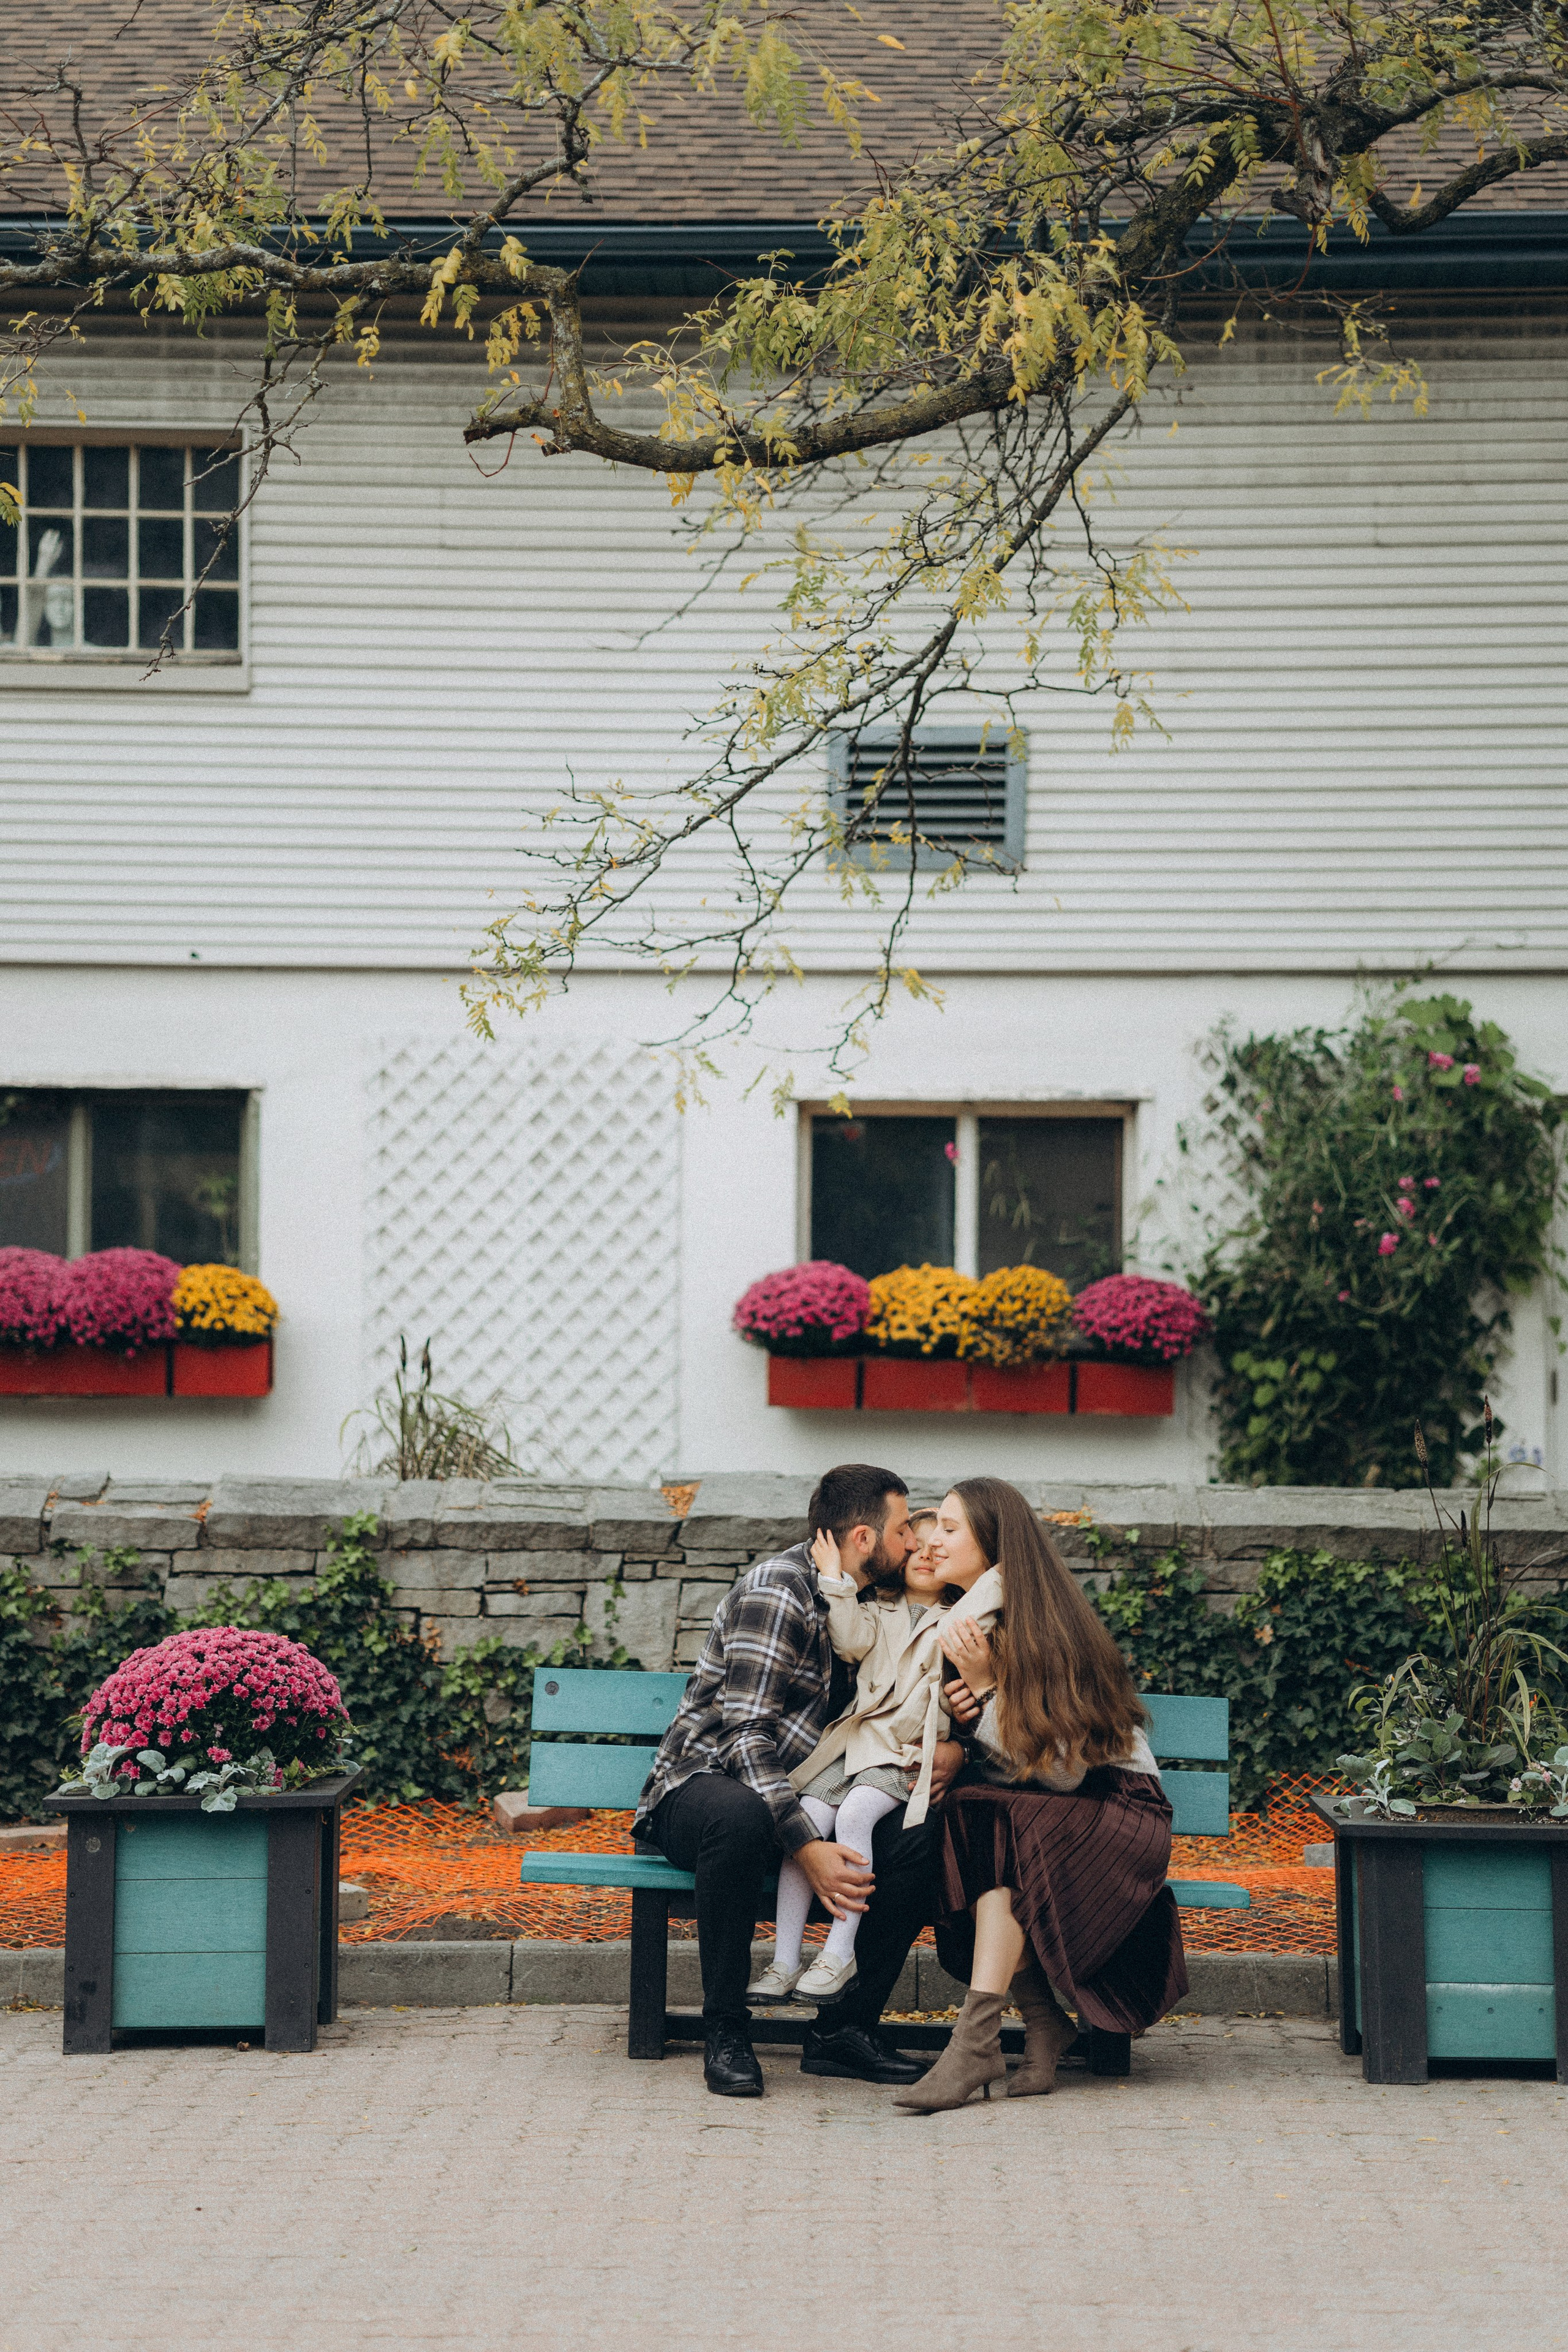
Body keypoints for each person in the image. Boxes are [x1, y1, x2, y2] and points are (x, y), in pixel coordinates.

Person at [633, 1463, 968, 2098]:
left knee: (923, 1833)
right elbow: (744, 1738)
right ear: (864, 1539)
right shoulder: (780, 1591)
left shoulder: (871, 1598)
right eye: (903, 1530)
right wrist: (805, 1846)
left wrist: (954, 1749)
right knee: (740, 1817)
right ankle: (726, 2029)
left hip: (809, 1790)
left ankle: (843, 2028)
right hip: (700, 1786)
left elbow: (908, 1698)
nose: (914, 1545)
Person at [893, 1477, 1188, 2115]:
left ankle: (976, 2041)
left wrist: (987, 1687)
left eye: (949, 1528)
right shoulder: (967, 1616)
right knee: (977, 1814)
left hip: (1119, 1809)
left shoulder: (1044, 1628)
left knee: (1002, 1819)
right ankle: (1035, 2023)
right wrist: (963, 1731)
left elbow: (1062, 1773)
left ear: (994, 1546)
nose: (931, 1540)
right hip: (1040, 1809)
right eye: (931, 1526)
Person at [749, 1507, 1003, 2004]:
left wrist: (1006, 1566)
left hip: (906, 1754)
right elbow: (850, 1640)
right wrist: (833, 1579)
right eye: (918, 1545)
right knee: (808, 1822)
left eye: (940, 1546)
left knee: (860, 1812)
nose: (927, 1552)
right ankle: (784, 1960)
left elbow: (989, 1604)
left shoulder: (960, 1619)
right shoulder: (878, 1609)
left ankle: (840, 1952)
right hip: (856, 1746)